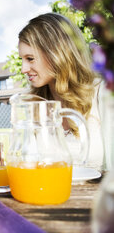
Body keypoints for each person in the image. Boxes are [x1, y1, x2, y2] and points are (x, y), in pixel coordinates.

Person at [18, 12, 104, 170]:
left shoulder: (101, 93)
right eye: (22, 59)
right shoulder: (35, 103)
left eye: (30, 59)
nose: (23, 69)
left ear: (56, 54)